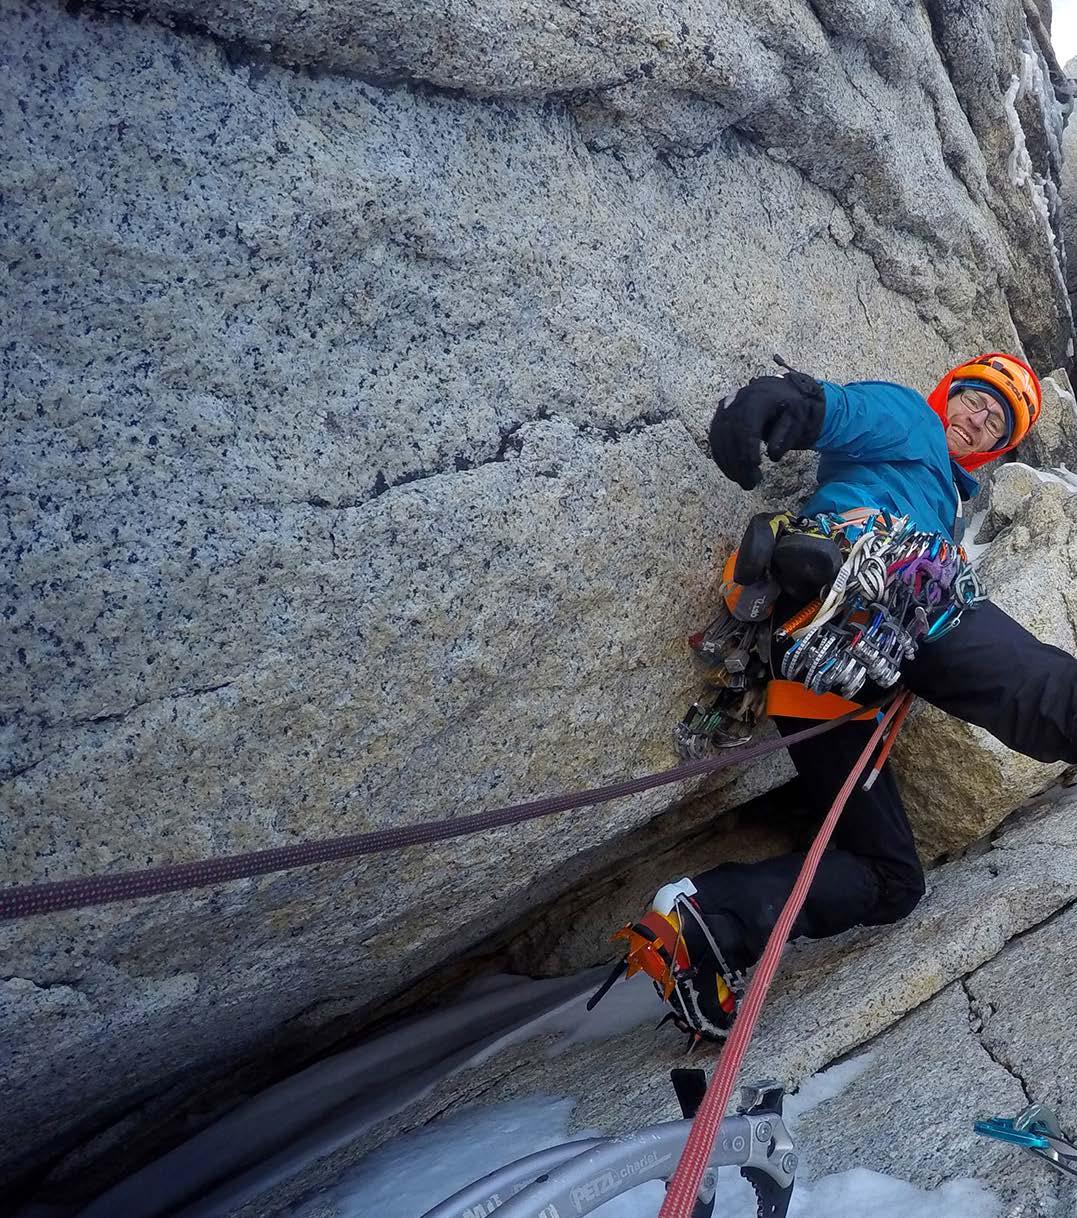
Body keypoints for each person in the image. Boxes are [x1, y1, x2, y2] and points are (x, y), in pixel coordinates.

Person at [630, 353, 1077, 1041]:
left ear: (995, 449)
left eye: (995, 423)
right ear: (947, 393)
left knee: (890, 880)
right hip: (890, 587)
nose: (977, 419)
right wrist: (790, 402)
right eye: (974, 399)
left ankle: (706, 921)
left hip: (822, 675)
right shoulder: (913, 421)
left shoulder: (946, 495)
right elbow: (849, 412)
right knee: (1042, 690)